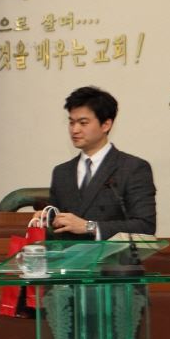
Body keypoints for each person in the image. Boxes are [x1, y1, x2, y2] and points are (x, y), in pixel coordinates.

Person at [45, 86, 156, 239]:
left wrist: (90, 227)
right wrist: (46, 220)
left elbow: (145, 226)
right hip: (70, 254)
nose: (75, 130)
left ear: (106, 125)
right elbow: (58, 226)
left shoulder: (133, 168)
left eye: (83, 123)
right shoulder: (61, 172)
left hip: (113, 254)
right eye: (71, 122)